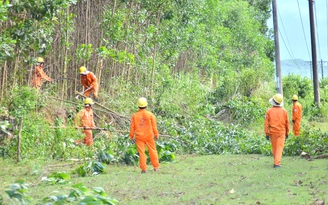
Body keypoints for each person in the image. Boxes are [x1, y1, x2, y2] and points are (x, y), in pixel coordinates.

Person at [129, 97, 159, 173]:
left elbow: (132, 127)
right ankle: (156, 167)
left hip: (139, 137)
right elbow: (154, 126)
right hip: (149, 136)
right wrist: (156, 134)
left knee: (142, 153)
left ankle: (143, 169)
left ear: (138, 105)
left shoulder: (135, 116)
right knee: (153, 151)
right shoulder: (150, 115)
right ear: (146, 105)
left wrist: (131, 136)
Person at [264, 93, 290, 168]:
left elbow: (266, 124)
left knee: (275, 148)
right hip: (281, 132)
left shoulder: (269, 111)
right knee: (279, 148)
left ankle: (276, 161)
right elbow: (287, 123)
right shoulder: (284, 111)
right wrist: (287, 132)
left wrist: (267, 133)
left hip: (272, 132)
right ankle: (277, 163)